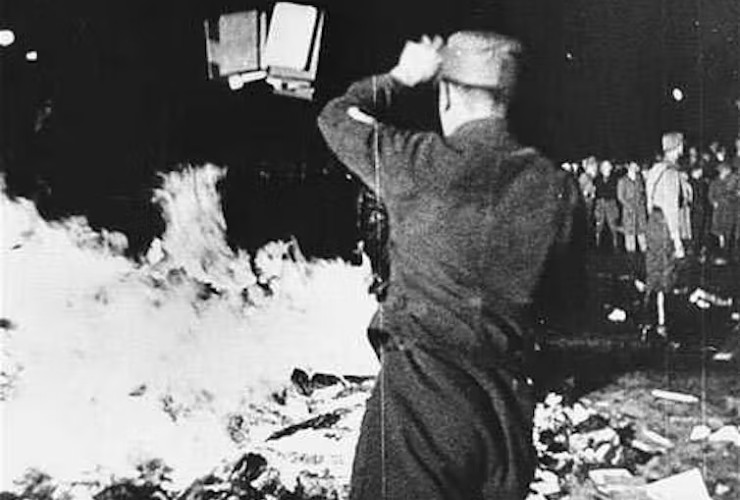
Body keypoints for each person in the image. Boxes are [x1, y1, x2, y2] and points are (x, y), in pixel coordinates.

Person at [318, 32, 578, 499]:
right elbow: (563, 304)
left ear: (447, 93)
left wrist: (399, 77)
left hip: (422, 409)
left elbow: (336, 116)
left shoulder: (419, 162)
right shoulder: (554, 185)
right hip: (506, 419)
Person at [642, 132, 687, 337]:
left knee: (653, 269)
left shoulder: (655, 169)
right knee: (665, 270)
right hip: (664, 225)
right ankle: (662, 321)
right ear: (676, 147)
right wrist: (677, 240)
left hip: (653, 222)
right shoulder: (670, 173)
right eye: (681, 145)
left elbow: (649, 201)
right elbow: (671, 208)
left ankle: (649, 319)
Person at [594, 160, 620, 251]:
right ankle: (597, 245)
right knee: (598, 225)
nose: (606, 168)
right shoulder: (597, 179)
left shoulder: (615, 179)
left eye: (608, 166)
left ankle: (616, 245)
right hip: (600, 203)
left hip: (611, 203)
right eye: (604, 166)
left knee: (613, 225)